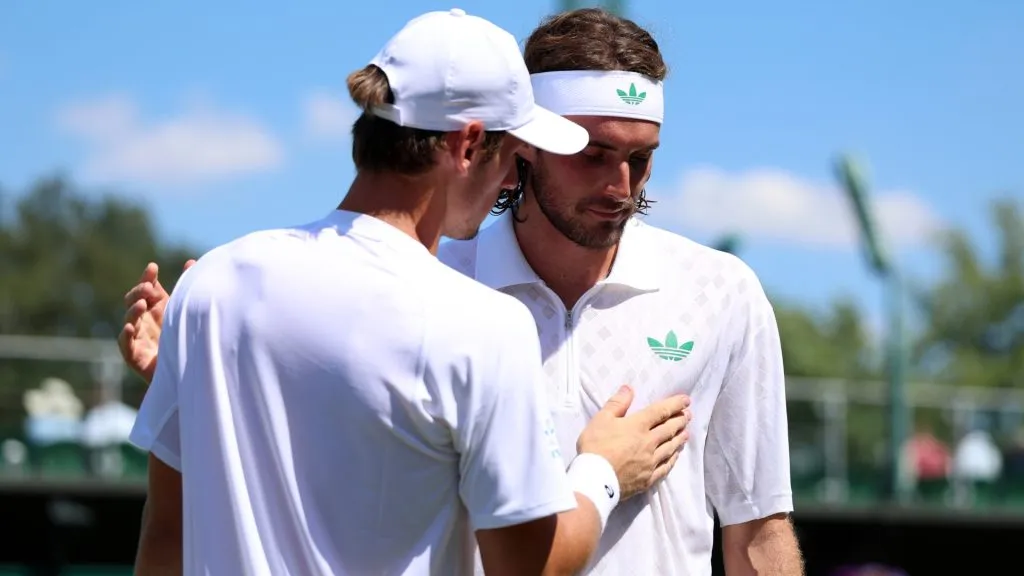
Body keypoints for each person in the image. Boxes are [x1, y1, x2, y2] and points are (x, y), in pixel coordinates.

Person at [122, 7, 800, 576]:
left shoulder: (215, 285)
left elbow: (172, 531)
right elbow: (528, 566)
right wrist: (602, 471)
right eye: (587, 154)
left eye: (641, 158)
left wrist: (200, 371)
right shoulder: (472, 315)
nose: (621, 185)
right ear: (476, 147)